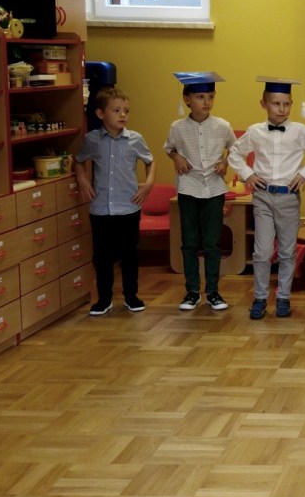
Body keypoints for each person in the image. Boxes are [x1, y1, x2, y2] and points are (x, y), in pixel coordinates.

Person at [228, 76, 305, 320]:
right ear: (264, 103)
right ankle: (260, 298)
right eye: (276, 104)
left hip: (288, 198)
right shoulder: (255, 131)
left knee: (287, 252)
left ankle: (283, 298)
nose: (281, 109)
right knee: (261, 251)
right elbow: (234, 154)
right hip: (262, 197)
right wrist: (248, 175)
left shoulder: (300, 131)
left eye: (286, 104)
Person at [76, 86, 155, 316]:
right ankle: (104, 299)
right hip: (101, 209)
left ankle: (131, 296)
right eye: (116, 110)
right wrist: (82, 179)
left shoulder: (135, 139)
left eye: (126, 111)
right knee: (102, 257)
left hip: (128, 207)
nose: (123, 115)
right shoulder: (92, 140)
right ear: (101, 114)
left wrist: (149, 183)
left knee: (129, 254)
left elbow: (150, 161)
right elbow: (78, 160)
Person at [163, 71, 236, 312]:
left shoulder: (222, 126)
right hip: (189, 188)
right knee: (190, 242)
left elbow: (236, 149)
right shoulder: (177, 127)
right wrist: (177, 157)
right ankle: (192, 291)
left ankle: (213, 291)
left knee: (212, 243)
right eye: (200, 97)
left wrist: (225, 161)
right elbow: (169, 148)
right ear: (187, 99)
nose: (207, 102)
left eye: (211, 97)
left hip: (214, 189)